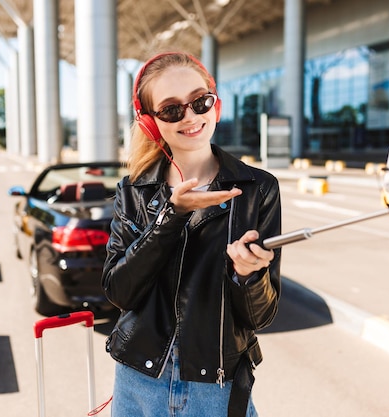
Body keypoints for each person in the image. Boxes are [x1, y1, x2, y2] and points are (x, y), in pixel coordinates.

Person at [102, 51, 282, 417]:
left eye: (200, 102)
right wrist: (171, 215)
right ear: (151, 123)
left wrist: (249, 275)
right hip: (139, 381)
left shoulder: (258, 188)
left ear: (214, 105)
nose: (191, 116)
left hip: (215, 389)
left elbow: (260, 317)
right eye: (171, 109)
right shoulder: (135, 189)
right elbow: (119, 291)